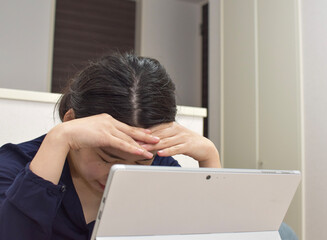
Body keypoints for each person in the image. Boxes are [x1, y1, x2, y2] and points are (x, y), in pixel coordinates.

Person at [0, 53, 221, 239]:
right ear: (72, 122)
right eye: (107, 158)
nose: (118, 173)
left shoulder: (160, 169)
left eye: (141, 160)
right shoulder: (13, 167)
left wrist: (210, 158)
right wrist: (58, 138)